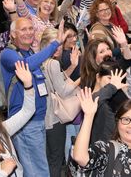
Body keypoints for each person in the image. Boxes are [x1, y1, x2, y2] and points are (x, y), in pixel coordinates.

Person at [0, 17, 66, 176]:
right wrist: (55, 44)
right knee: (37, 171)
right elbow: (25, 66)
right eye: (23, 29)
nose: (29, 32)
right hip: (25, 123)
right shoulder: (8, 54)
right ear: (13, 34)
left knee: (40, 167)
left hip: (39, 120)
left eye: (31, 28)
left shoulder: (29, 52)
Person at [71, 93, 131, 176]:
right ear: (117, 122)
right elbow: (80, 157)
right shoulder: (108, 149)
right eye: (126, 120)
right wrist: (88, 116)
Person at [40, 28, 81, 177]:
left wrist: (73, 66)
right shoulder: (53, 63)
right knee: (56, 159)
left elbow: (58, 79)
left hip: (45, 118)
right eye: (54, 44)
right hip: (54, 117)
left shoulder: (41, 61)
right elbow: (63, 90)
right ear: (45, 44)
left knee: (50, 157)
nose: (58, 48)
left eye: (59, 44)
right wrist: (82, 79)